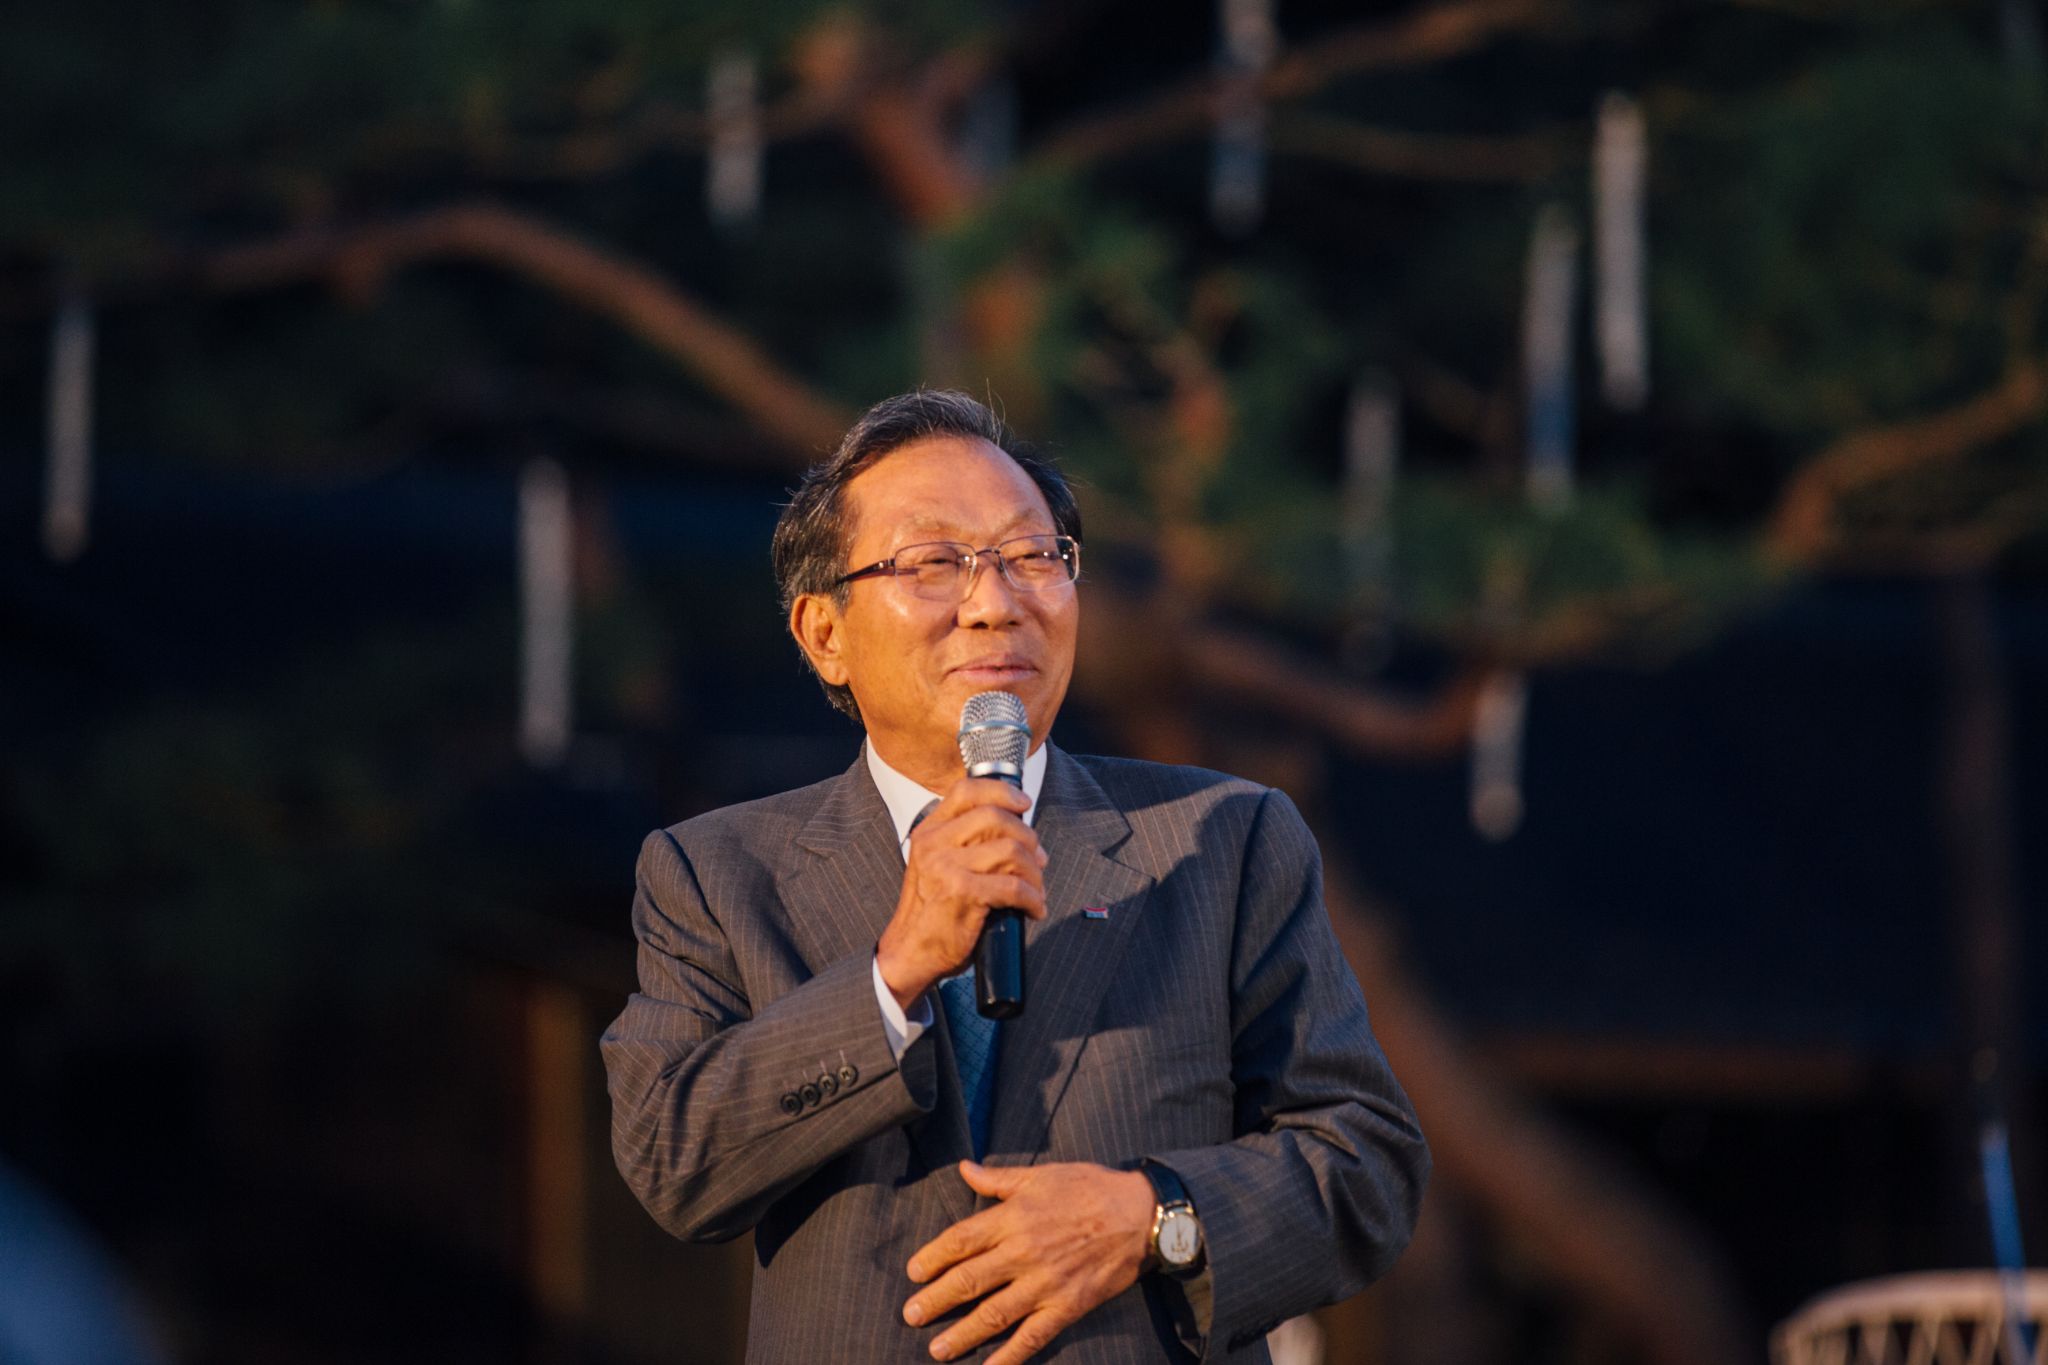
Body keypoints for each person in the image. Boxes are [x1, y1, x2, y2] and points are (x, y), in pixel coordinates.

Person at [601, 391, 1428, 1364]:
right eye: (932, 563)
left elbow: (1366, 1164)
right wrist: (891, 974)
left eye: (1032, 557)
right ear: (824, 633)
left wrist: (1154, 1216)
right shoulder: (718, 872)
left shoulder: (1224, 840)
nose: (995, 603)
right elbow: (673, 1162)